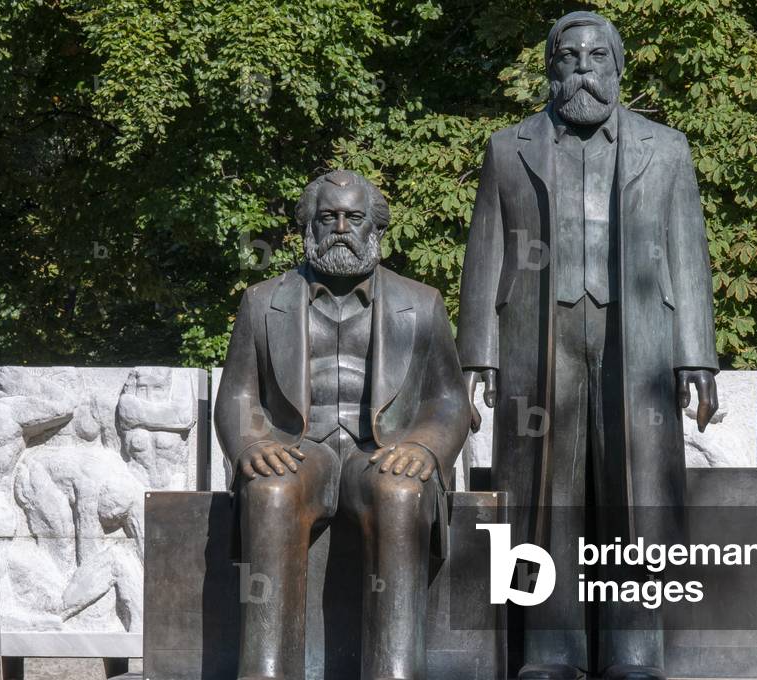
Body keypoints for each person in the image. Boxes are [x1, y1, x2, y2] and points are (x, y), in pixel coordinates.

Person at [456, 11, 720, 680]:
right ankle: (551, 650)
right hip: (534, 336)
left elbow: (688, 252)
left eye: (596, 56)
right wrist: (476, 352)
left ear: (618, 68)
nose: (582, 68)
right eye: (568, 57)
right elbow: (485, 251)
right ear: (551, 68)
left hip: (640, 339)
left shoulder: (667, 148)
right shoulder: (507, 148)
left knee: (636, 494)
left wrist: (696, 354)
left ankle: (635, 652)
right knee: (544, 497)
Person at [215, 169, 469, 680]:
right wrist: (250, 444)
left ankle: (395, 672)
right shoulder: (262, 301)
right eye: (327, 217)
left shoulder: (421, 303)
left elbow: (448, 399)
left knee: (400, 490)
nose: (340, 228)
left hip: (379, 450)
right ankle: (266, 671)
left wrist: (424, 446)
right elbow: (237, 394)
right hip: (299, 448)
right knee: (270, 490)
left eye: (353, 217)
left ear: (375, 227)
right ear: (307, 225)